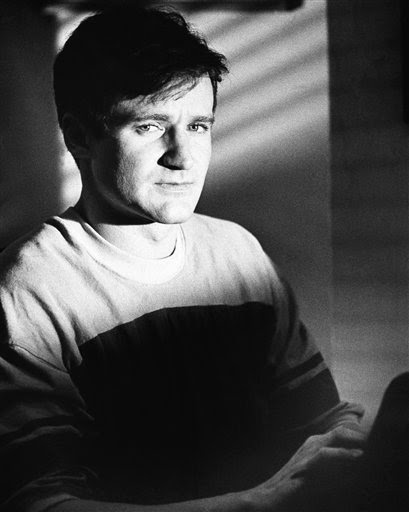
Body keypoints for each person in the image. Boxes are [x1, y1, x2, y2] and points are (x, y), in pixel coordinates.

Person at [0, 6, 365, 512]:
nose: (183, 157)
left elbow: (318, 419)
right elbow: (44, 505)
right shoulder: (29, 289)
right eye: (150, 126)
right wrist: (259, 503)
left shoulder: (239, 254)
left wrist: (354, 446)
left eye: (197, 125)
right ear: (79, 136)